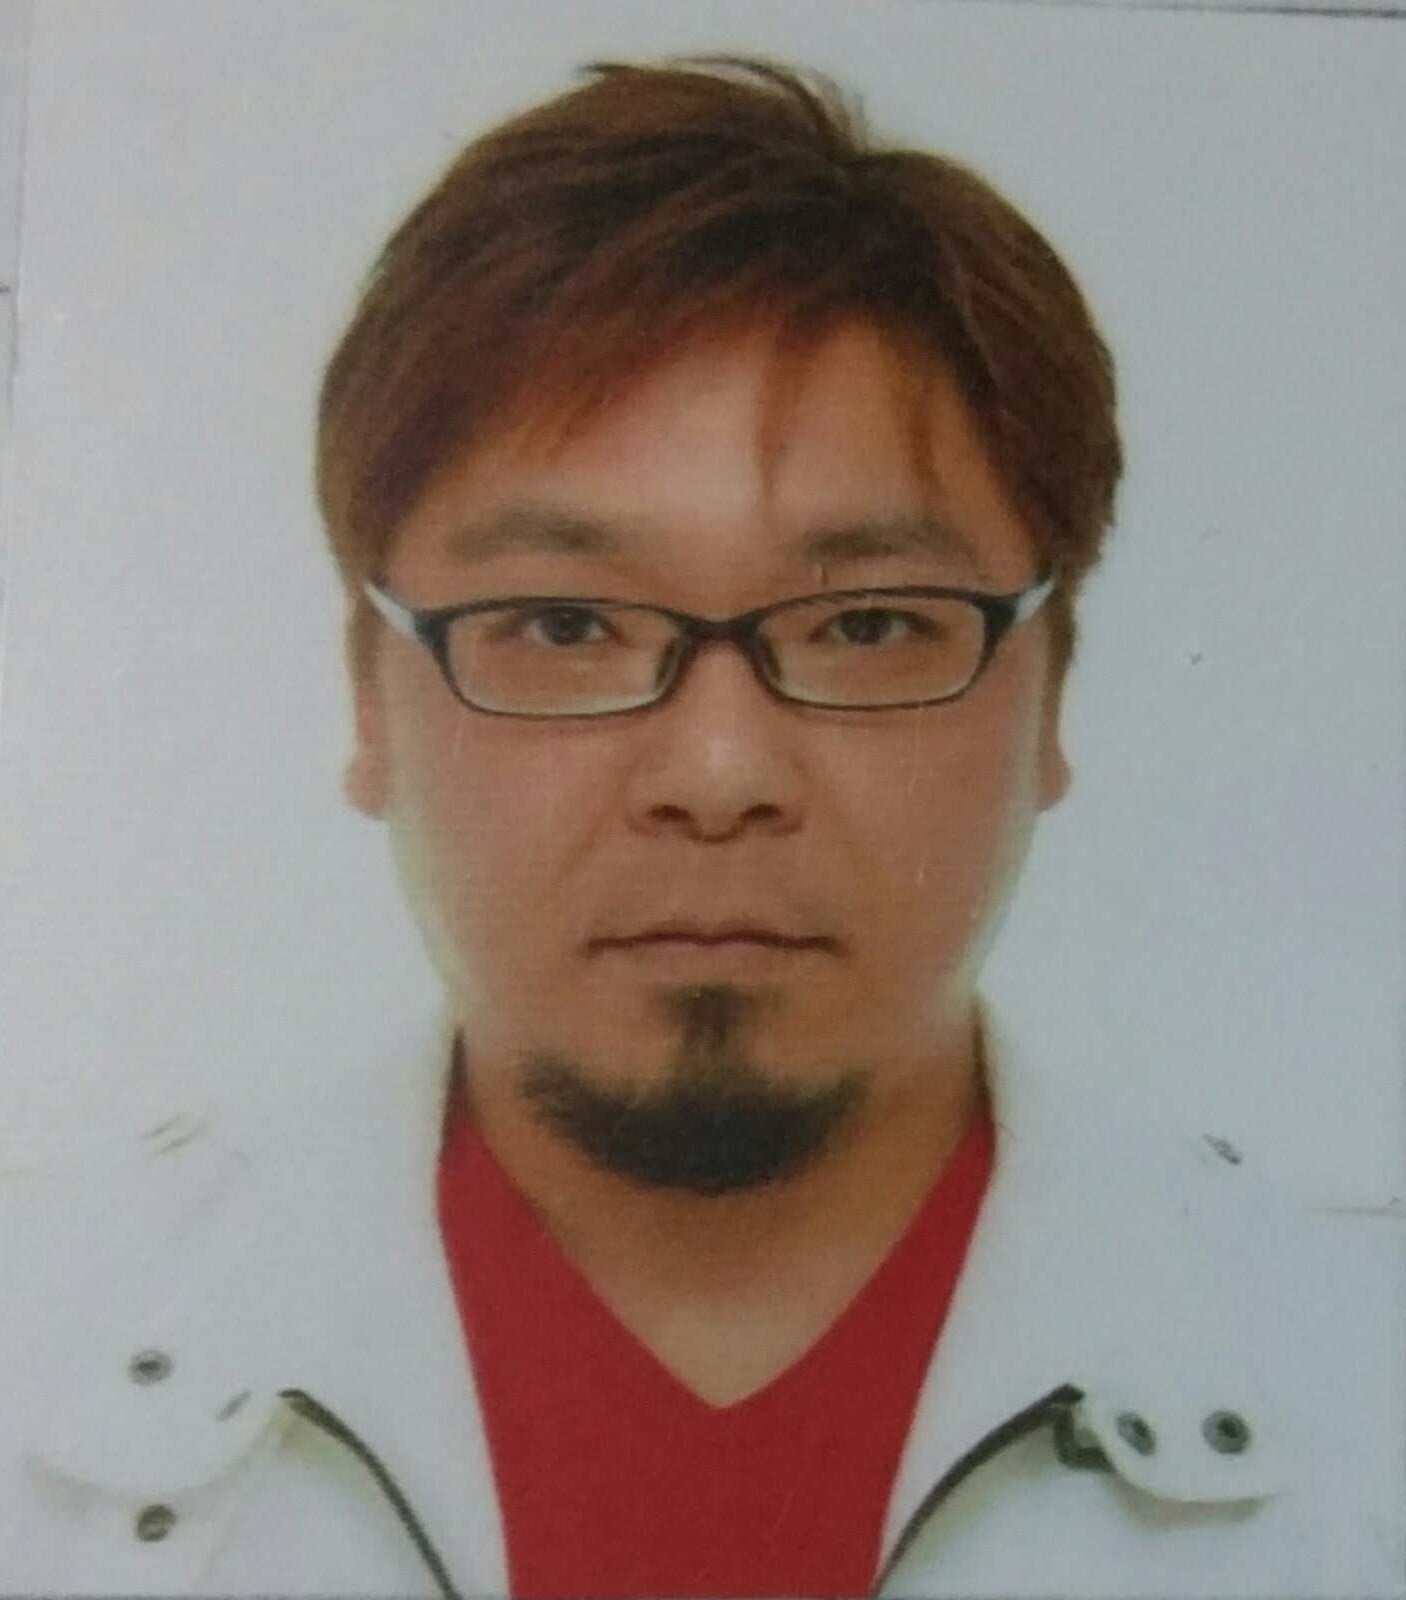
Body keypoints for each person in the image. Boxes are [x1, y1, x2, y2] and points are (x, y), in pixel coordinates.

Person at [1, 55, 1397, 1600]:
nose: (720, 770)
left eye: (868, 624)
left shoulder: (1361, 1400)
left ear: (1050, 691)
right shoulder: (35, 1366)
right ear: (368, 699)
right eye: (561, 623)